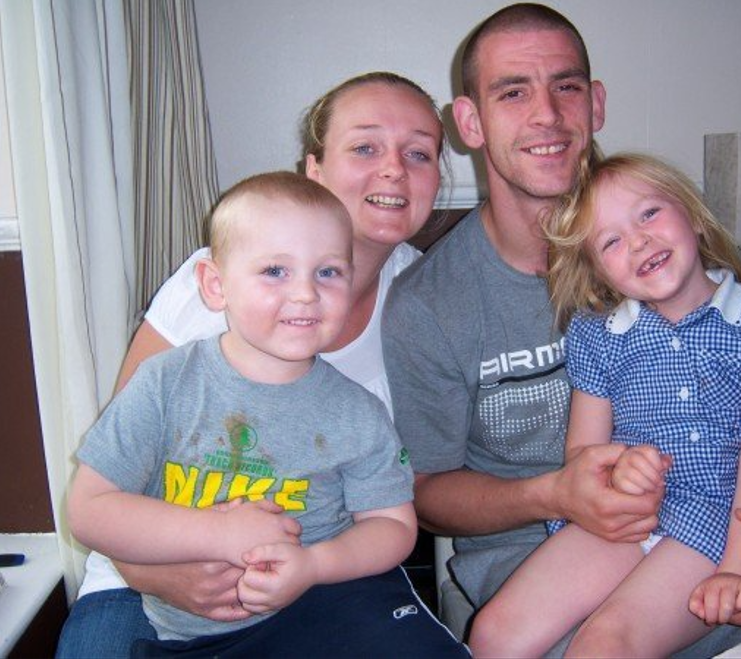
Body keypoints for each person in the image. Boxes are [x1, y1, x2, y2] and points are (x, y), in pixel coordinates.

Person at [382, 4, 741, 657]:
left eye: (566, 87)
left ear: (595, 103)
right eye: (512, 92)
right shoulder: (429, 303)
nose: (546, 113)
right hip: (535, 556)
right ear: (469, 122)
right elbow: (426, 491)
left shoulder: (691, 251)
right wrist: (553, 492)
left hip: (728, 530)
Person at [56, 72, 463, 658]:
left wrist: (313, 566)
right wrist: (166, 569)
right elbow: (105, 491)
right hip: (143, 576)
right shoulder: (214, 283)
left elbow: (395, 513)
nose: (394, 168)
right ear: (315, 167)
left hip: (321, 586)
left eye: (418, 152)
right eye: (366, 146)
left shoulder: (423, 301)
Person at [468, 152, 741, 658]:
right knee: (495, 632)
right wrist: (618, 471)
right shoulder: (597, 335)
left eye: (649, 213)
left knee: (607, 642)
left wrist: (739, 569)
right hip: (625, 515)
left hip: (720, 516)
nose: (638, 241)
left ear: (693, 215)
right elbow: (583, 452)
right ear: (599, 272)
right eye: (611, 241)